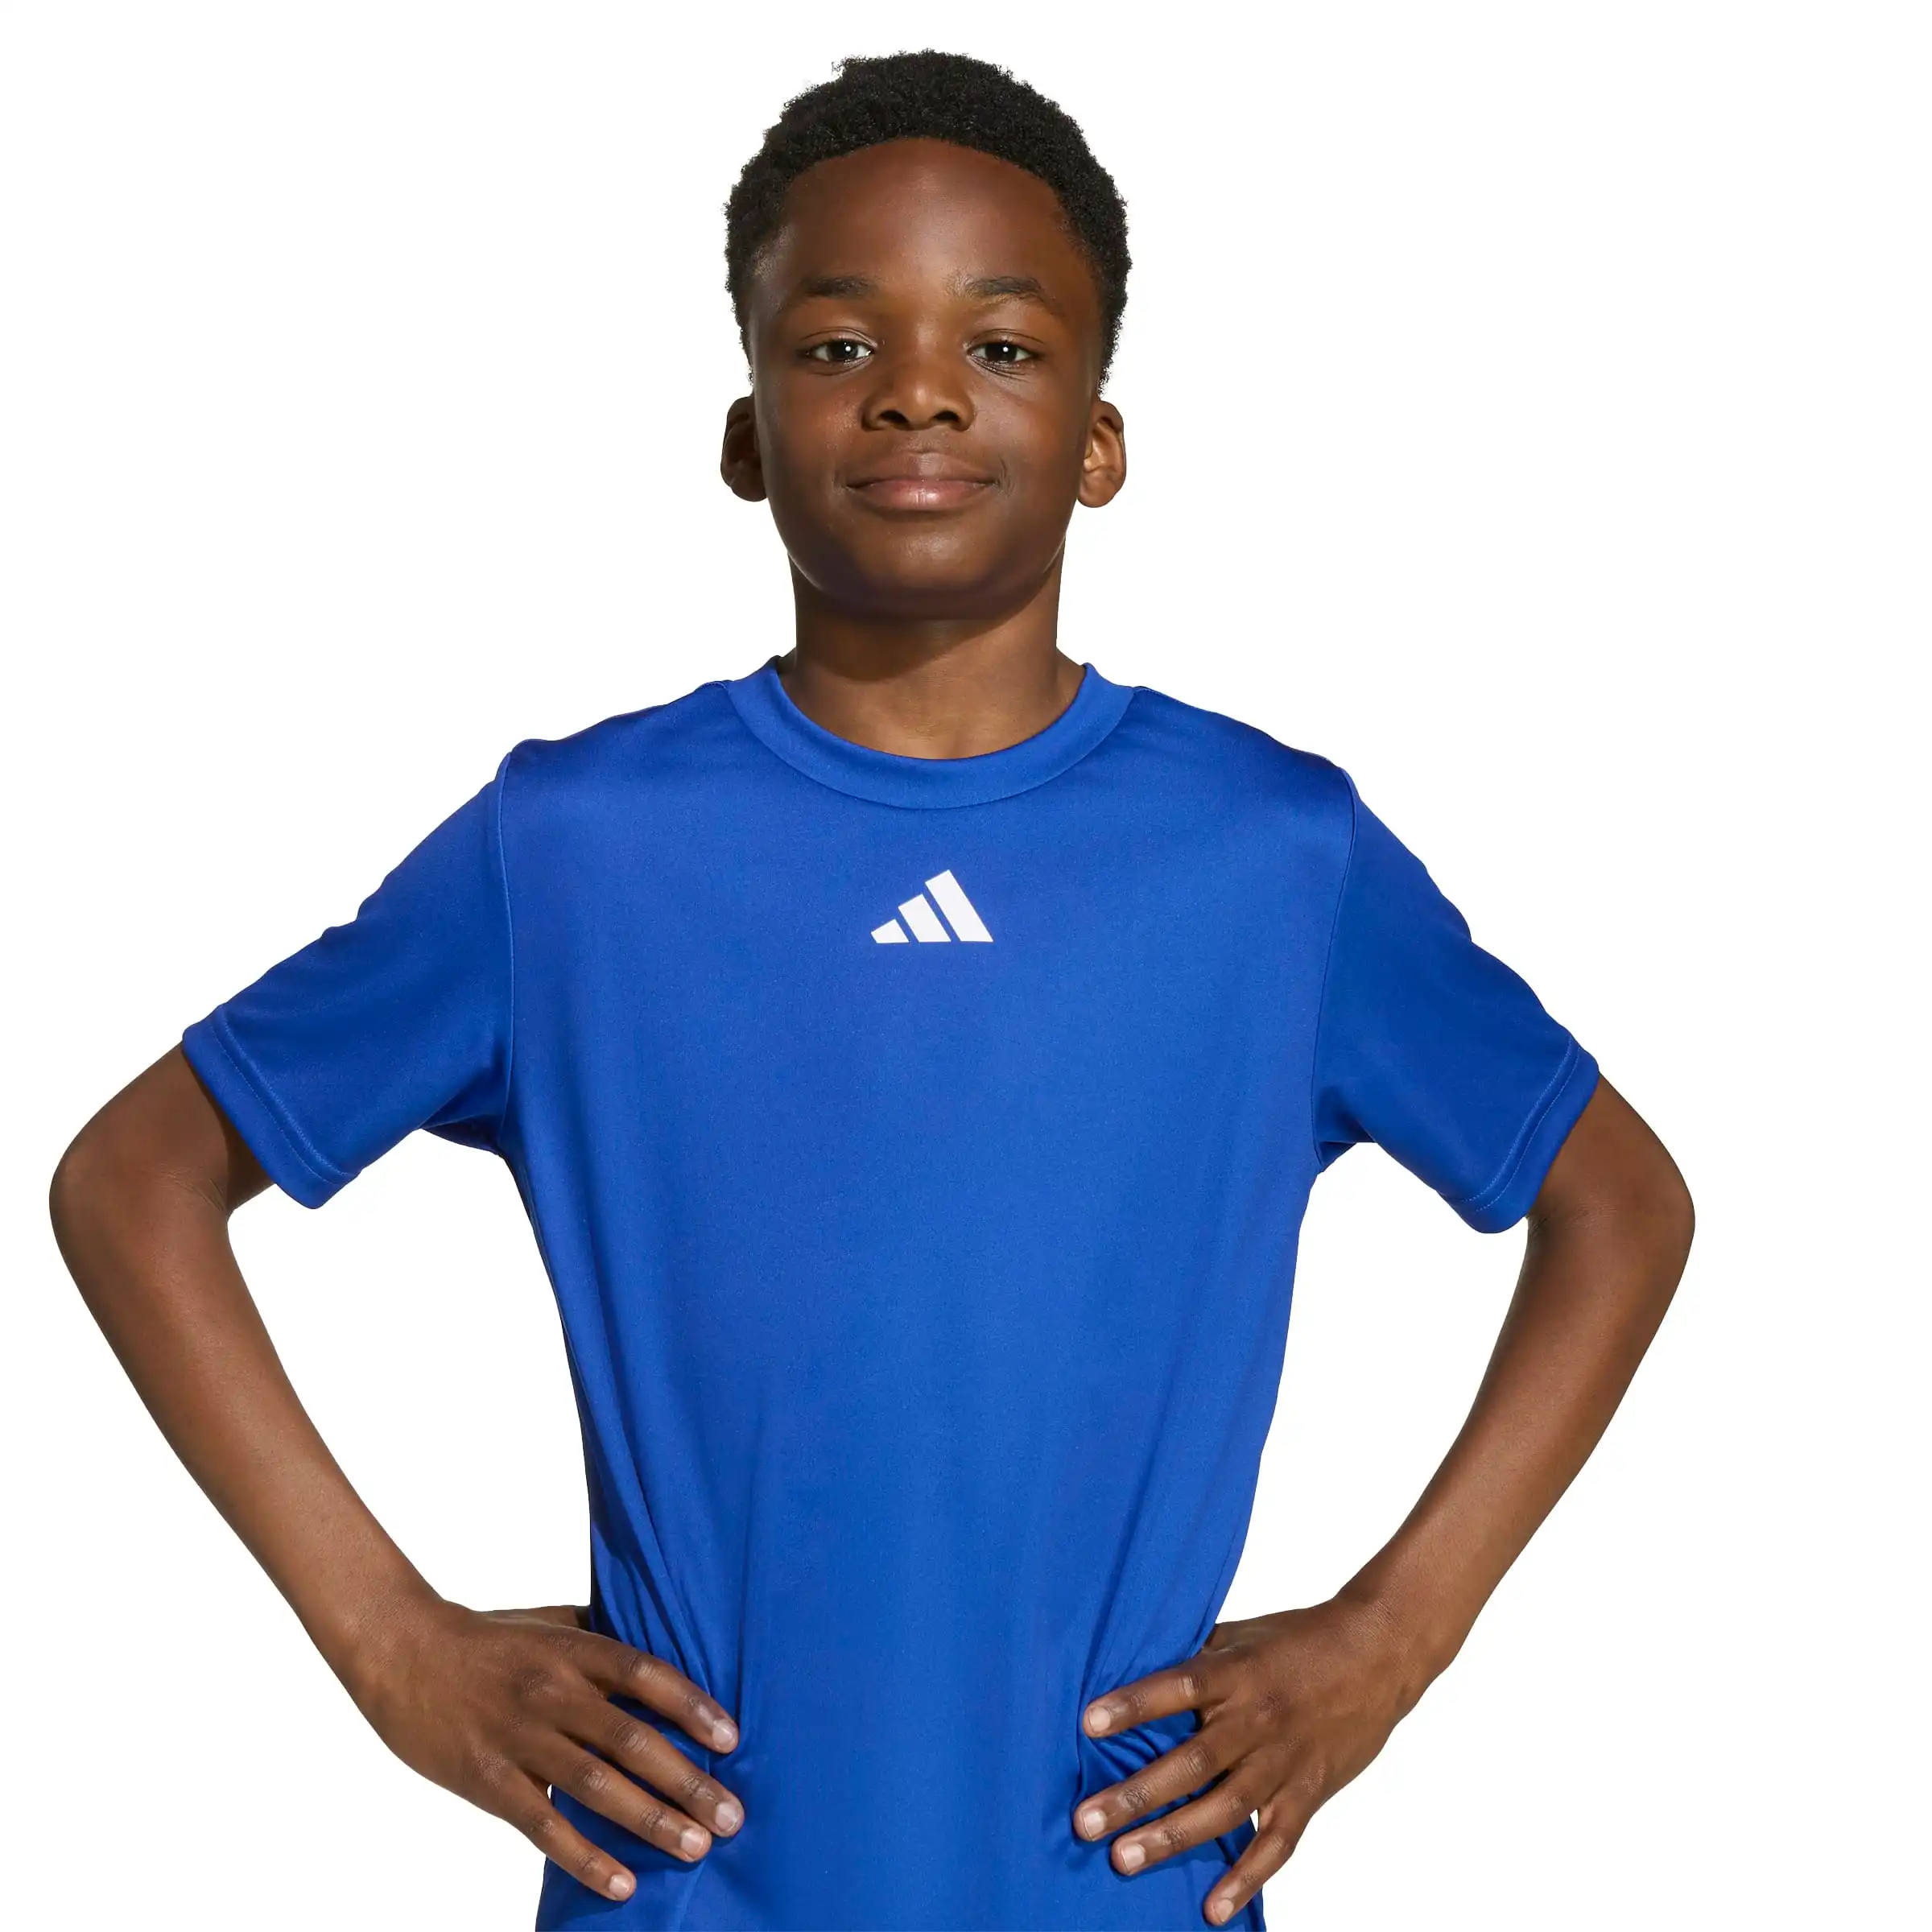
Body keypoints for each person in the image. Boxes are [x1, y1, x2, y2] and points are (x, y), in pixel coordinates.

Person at [48, 49, 1694, 1932]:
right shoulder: (575, 847)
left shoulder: (1268, 857)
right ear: (746, 431)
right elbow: (134, 1179)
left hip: (1124, 1880)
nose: (919, 388)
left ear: (1101, 440)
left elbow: (1619, 1202)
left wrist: (1394, 1638)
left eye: (1000, 344)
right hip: (684, 1884)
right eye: (838, 345)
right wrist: (390, 1640)